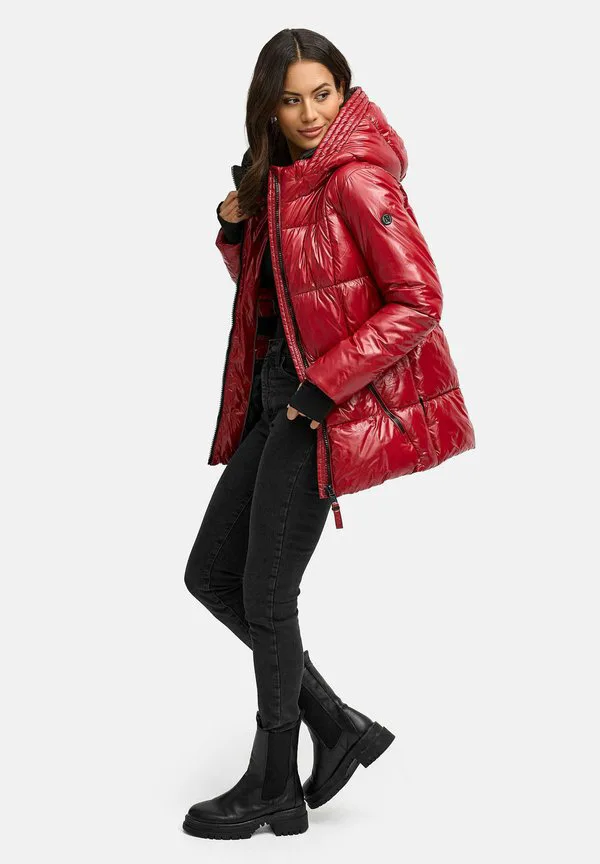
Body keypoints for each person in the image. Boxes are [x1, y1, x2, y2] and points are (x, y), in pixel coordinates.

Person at [182, 28, 476, 841]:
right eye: (292, 99)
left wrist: (320, 389)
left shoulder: (355, 177)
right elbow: (282, 294)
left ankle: (274, 782)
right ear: (268, 107)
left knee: (266, 593)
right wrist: (235, 229)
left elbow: (419, 300)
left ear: (344, 92)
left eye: (323, 94)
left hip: (321, 403)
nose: (311, 113)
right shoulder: (285, 178)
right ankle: (336, 726)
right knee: (211, 574)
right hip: (281, 393)